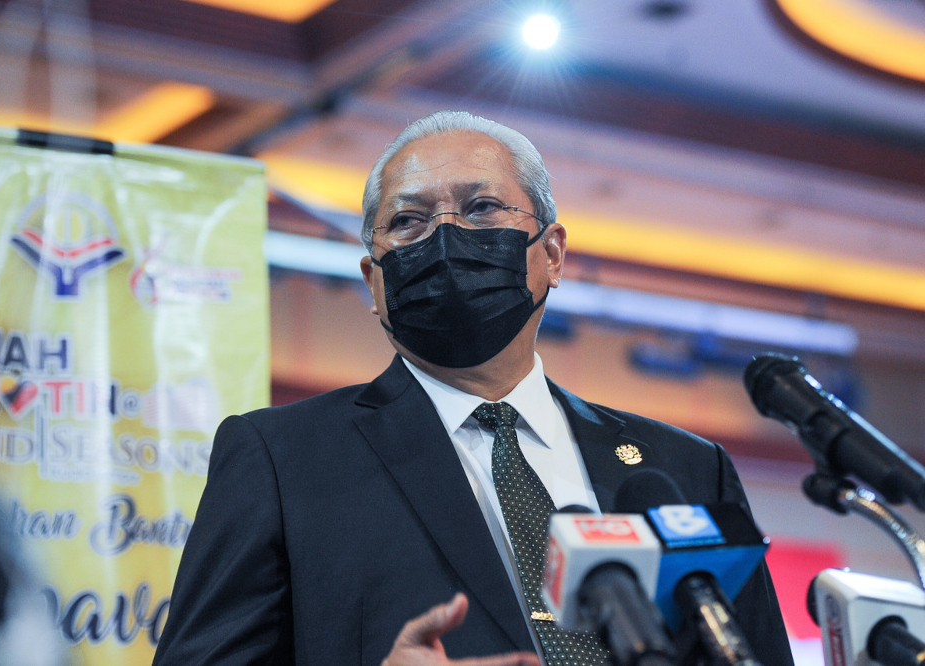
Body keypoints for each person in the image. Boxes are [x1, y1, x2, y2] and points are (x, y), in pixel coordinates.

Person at [153, 111, 793, 666]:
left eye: (482, 207)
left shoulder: (683, 468)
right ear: (374, 282)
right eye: (407, 220)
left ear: (552, 254)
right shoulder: (282, 459)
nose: (445, 236)